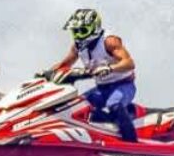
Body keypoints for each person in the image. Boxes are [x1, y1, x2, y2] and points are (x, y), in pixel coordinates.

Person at [42, 8, 138, 142]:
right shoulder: (78, 46)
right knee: (76, 106)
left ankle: (132, 142)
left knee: (114, 104)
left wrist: (110, 68)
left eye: (82, 31)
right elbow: (65, 64)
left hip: (123, 85)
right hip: (102, 89)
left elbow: (129, 63)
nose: (78, 35)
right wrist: (46, 74)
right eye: (75, 31)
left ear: (94, 28)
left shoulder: (109, 41)